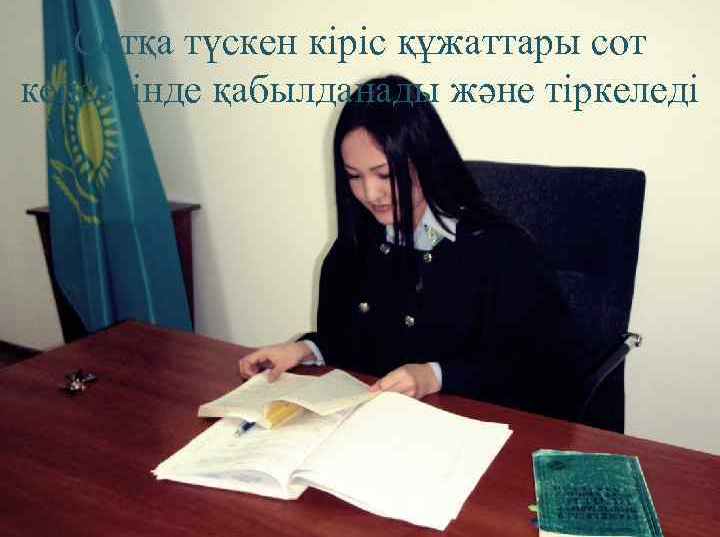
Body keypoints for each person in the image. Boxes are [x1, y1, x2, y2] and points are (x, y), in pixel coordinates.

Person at [238, 75, 587, 421]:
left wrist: (436, 375)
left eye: (385, 175)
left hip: (475, 431)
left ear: (425, 160)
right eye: (354, 176)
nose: (370, 194)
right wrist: (304, 349)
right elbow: (352, 342)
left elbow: (540, 369)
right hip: (376, 426)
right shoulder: (355, 246)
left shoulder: (499, 251)